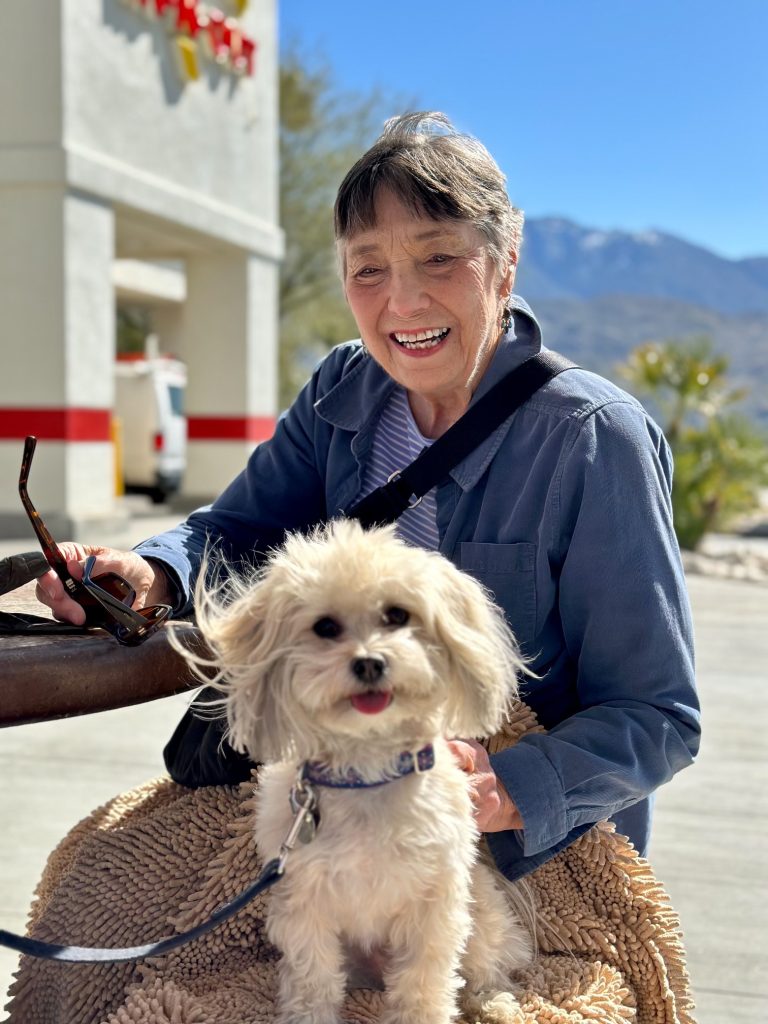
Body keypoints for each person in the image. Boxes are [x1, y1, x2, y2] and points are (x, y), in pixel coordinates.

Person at [36, 112, 700, 881]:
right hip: (338, 792)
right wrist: (154, 575)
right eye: (368, 268)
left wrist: (503, 788)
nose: (404, 303)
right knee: (100, 880)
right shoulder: (342, 389)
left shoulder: (594, 436)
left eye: (439, 257)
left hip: (518, 852)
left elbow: (658, 717)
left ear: (506, 261)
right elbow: (242, 531)